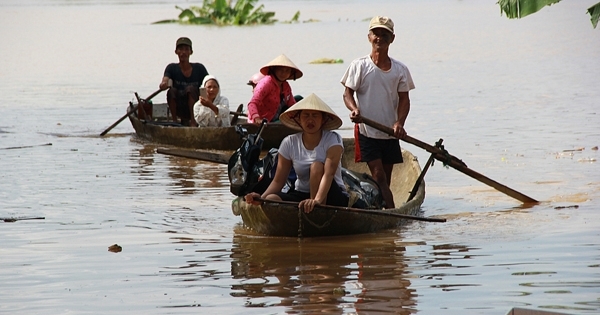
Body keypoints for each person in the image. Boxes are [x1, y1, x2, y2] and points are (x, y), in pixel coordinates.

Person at [340, 16, 415, 209]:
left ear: (392, 38)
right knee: (379, 176)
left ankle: (380, 207)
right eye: (376, 34)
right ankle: (391, 213)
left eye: (385, 35)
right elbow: (347, 93)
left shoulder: (400, 70)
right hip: (367, 131)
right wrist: (354, 108)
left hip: (390, 132)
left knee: (386, 179)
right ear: (369, 37)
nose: (379, 38)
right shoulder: (359, 65)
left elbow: (405, 100)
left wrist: (399, 123)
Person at [244, 93, 348, 213]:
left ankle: (317, 212)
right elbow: (278, 181)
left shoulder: (332, 139)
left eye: (315, 116)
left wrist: (316, 201)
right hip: (301, 194)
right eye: (306, 116)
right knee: (271, 199)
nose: (310, 120)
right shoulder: (289, 142)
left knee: (317, 166)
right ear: (298, 119)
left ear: (323, 120)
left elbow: (328, 174)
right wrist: (261, 198)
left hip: (330, 195)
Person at [159, 37, 209, 127]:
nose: (183, 52)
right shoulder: (171, 68)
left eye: (186, 49)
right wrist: (164, 84)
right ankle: (174, 122)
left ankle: (193, 122)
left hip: (197, 108)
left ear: (191, 52)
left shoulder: (199, 68)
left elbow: (209, 84)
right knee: (171, 91)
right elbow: (165, 79)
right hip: (179, 108)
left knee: (190, 89)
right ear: (176, 52)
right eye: (180, 49)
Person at [247, 54, 302, 124]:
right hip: (264, 122)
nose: (284, 73)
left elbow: (291, 104)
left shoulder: (285, 85)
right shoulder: (266, 83)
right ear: (274, 70)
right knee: (283, 122)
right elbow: (252, 103)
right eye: (280, 70)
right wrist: (257, 118)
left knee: (299, 99)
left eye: (287, 71)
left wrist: (301, 115)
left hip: (276, 114)